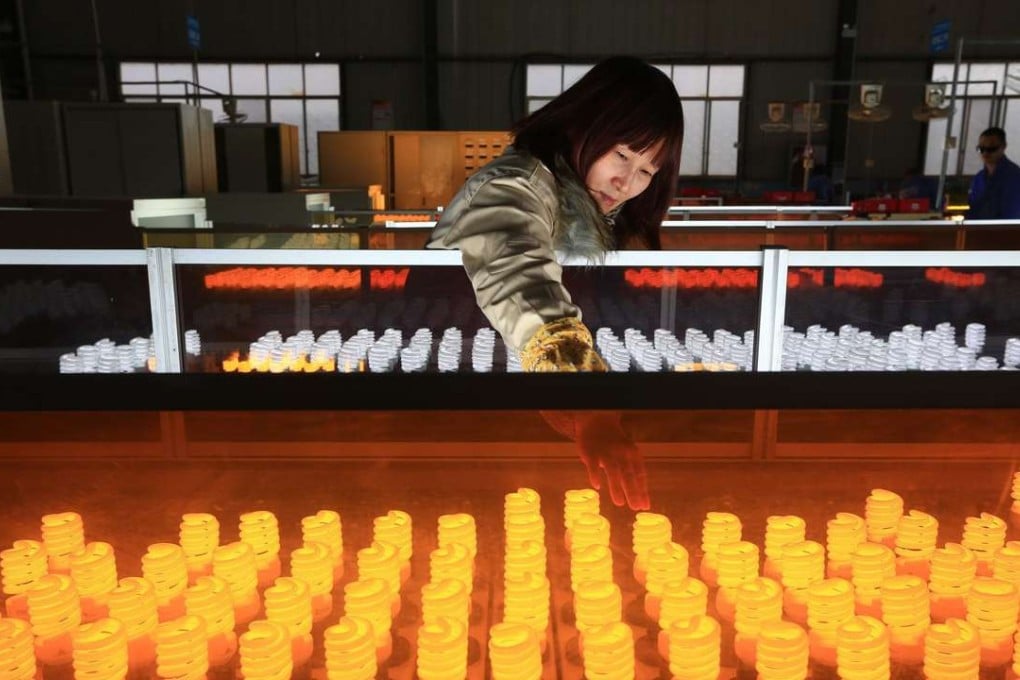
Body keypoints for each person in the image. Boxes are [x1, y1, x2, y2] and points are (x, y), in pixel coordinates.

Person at [426, 56, 685, 510]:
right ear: (580, 125)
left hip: (507, 403)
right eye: (622, 154)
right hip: (452, 423)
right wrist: (587, 400)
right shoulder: (513, 187)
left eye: (647, 171)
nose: (627, 182)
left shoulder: (584, 208)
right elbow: (519, 282)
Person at [967, 126, 1020, 219]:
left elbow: (1012, 215)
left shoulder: (1015, 177)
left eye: (991, 149)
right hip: (978, 231)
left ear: (1003, 146)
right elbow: (972, 210)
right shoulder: (978, 178)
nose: (985, 153)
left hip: (1004, 231)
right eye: (981, 149)